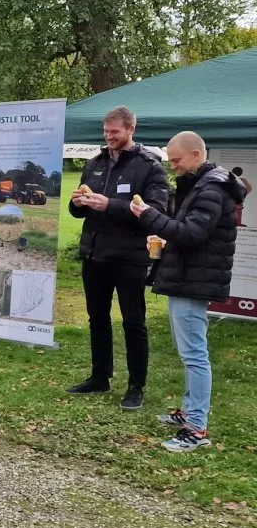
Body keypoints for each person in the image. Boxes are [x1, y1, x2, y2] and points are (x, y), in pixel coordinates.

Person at [130, 132, 246, 451]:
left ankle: (196, 428)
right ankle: (188, 413)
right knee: (188, 352)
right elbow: (192, 234)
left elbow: (192, 233)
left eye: (177, 161)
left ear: (196, 154)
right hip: (187, 274)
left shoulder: (212, 188)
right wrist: (166, 240)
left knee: (195, 355)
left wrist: (148, 217)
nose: (173, 167)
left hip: (195, 280)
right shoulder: (200, 185)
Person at [69, 106, 169, 410]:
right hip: (94, 253)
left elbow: (157, 212)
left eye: (115, 132)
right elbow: (79, 211)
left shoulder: (149, 166)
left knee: (133, 322)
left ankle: (136, 386)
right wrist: (78, 203)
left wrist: (109, 205)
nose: (109, 137)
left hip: (129, 257)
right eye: (106, 131)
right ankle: (100, 377)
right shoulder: (95, 163)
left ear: (131, 130)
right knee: (97, 318)